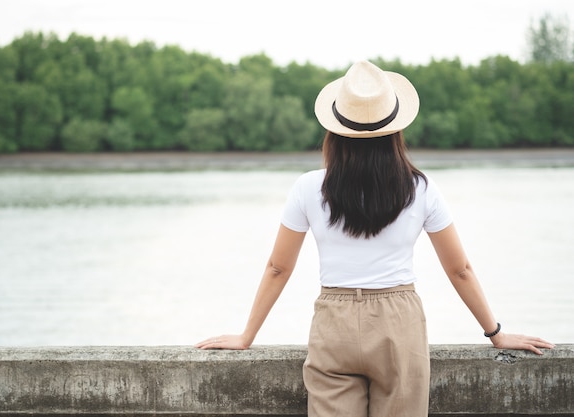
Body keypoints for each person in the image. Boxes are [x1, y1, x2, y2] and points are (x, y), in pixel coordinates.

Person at [195, 60, 553, 417]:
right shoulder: (420, 188)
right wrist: (496, 333)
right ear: (396, 131)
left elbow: (277, 268)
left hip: (333, 322)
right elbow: (460, 269)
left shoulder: (307, 187)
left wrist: (246, 336)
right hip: (400, 324)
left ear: (334, 132)